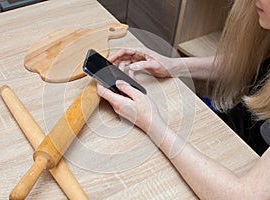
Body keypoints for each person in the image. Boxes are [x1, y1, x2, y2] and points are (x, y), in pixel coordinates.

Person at [97, 0, 270, 199]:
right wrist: (174, 65)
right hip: (227, 130)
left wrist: (153, 123)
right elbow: (251, 64)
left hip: (238, 166)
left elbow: (244, 196)